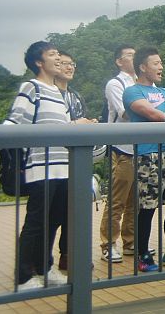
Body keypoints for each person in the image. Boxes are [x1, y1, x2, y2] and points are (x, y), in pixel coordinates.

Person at [3, 41, 88, 289]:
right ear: (39, 62)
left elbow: (60, 130)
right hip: (41, 168)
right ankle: (24, 276)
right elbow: (13, 124)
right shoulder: (32, 88)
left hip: (62, 168)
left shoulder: (56, 93)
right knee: (36, 222)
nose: (59, 59)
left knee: (54, 220)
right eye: (53, 55)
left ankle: (44, 268)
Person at [122, 47, 165, 272]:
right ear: (142, 67)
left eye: (161, 63)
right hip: (149, 154)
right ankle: (142, 254)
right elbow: (155, 115)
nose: (161, 67)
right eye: (156, 63)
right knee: (147, 206)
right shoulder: (132, 91)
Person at [54, 51, 98, 271]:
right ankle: (37, 262)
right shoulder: (47, 94)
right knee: (48, 214)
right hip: (52, 162)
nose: (69, 67)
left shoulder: (76, 95)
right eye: (63, 63)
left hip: (74, 160)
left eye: (72, 64)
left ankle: (69, 255)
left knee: (74, 210)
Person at [99, 45, 137, 263]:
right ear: (118, 61)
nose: (133, 58)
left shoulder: (140, 83)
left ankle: (130, 242)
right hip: (122, 149)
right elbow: (125, 113)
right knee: (117, 200)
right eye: (129, 56)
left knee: (135, 201)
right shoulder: (116, 84)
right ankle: (108, 243)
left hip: (140, 149)